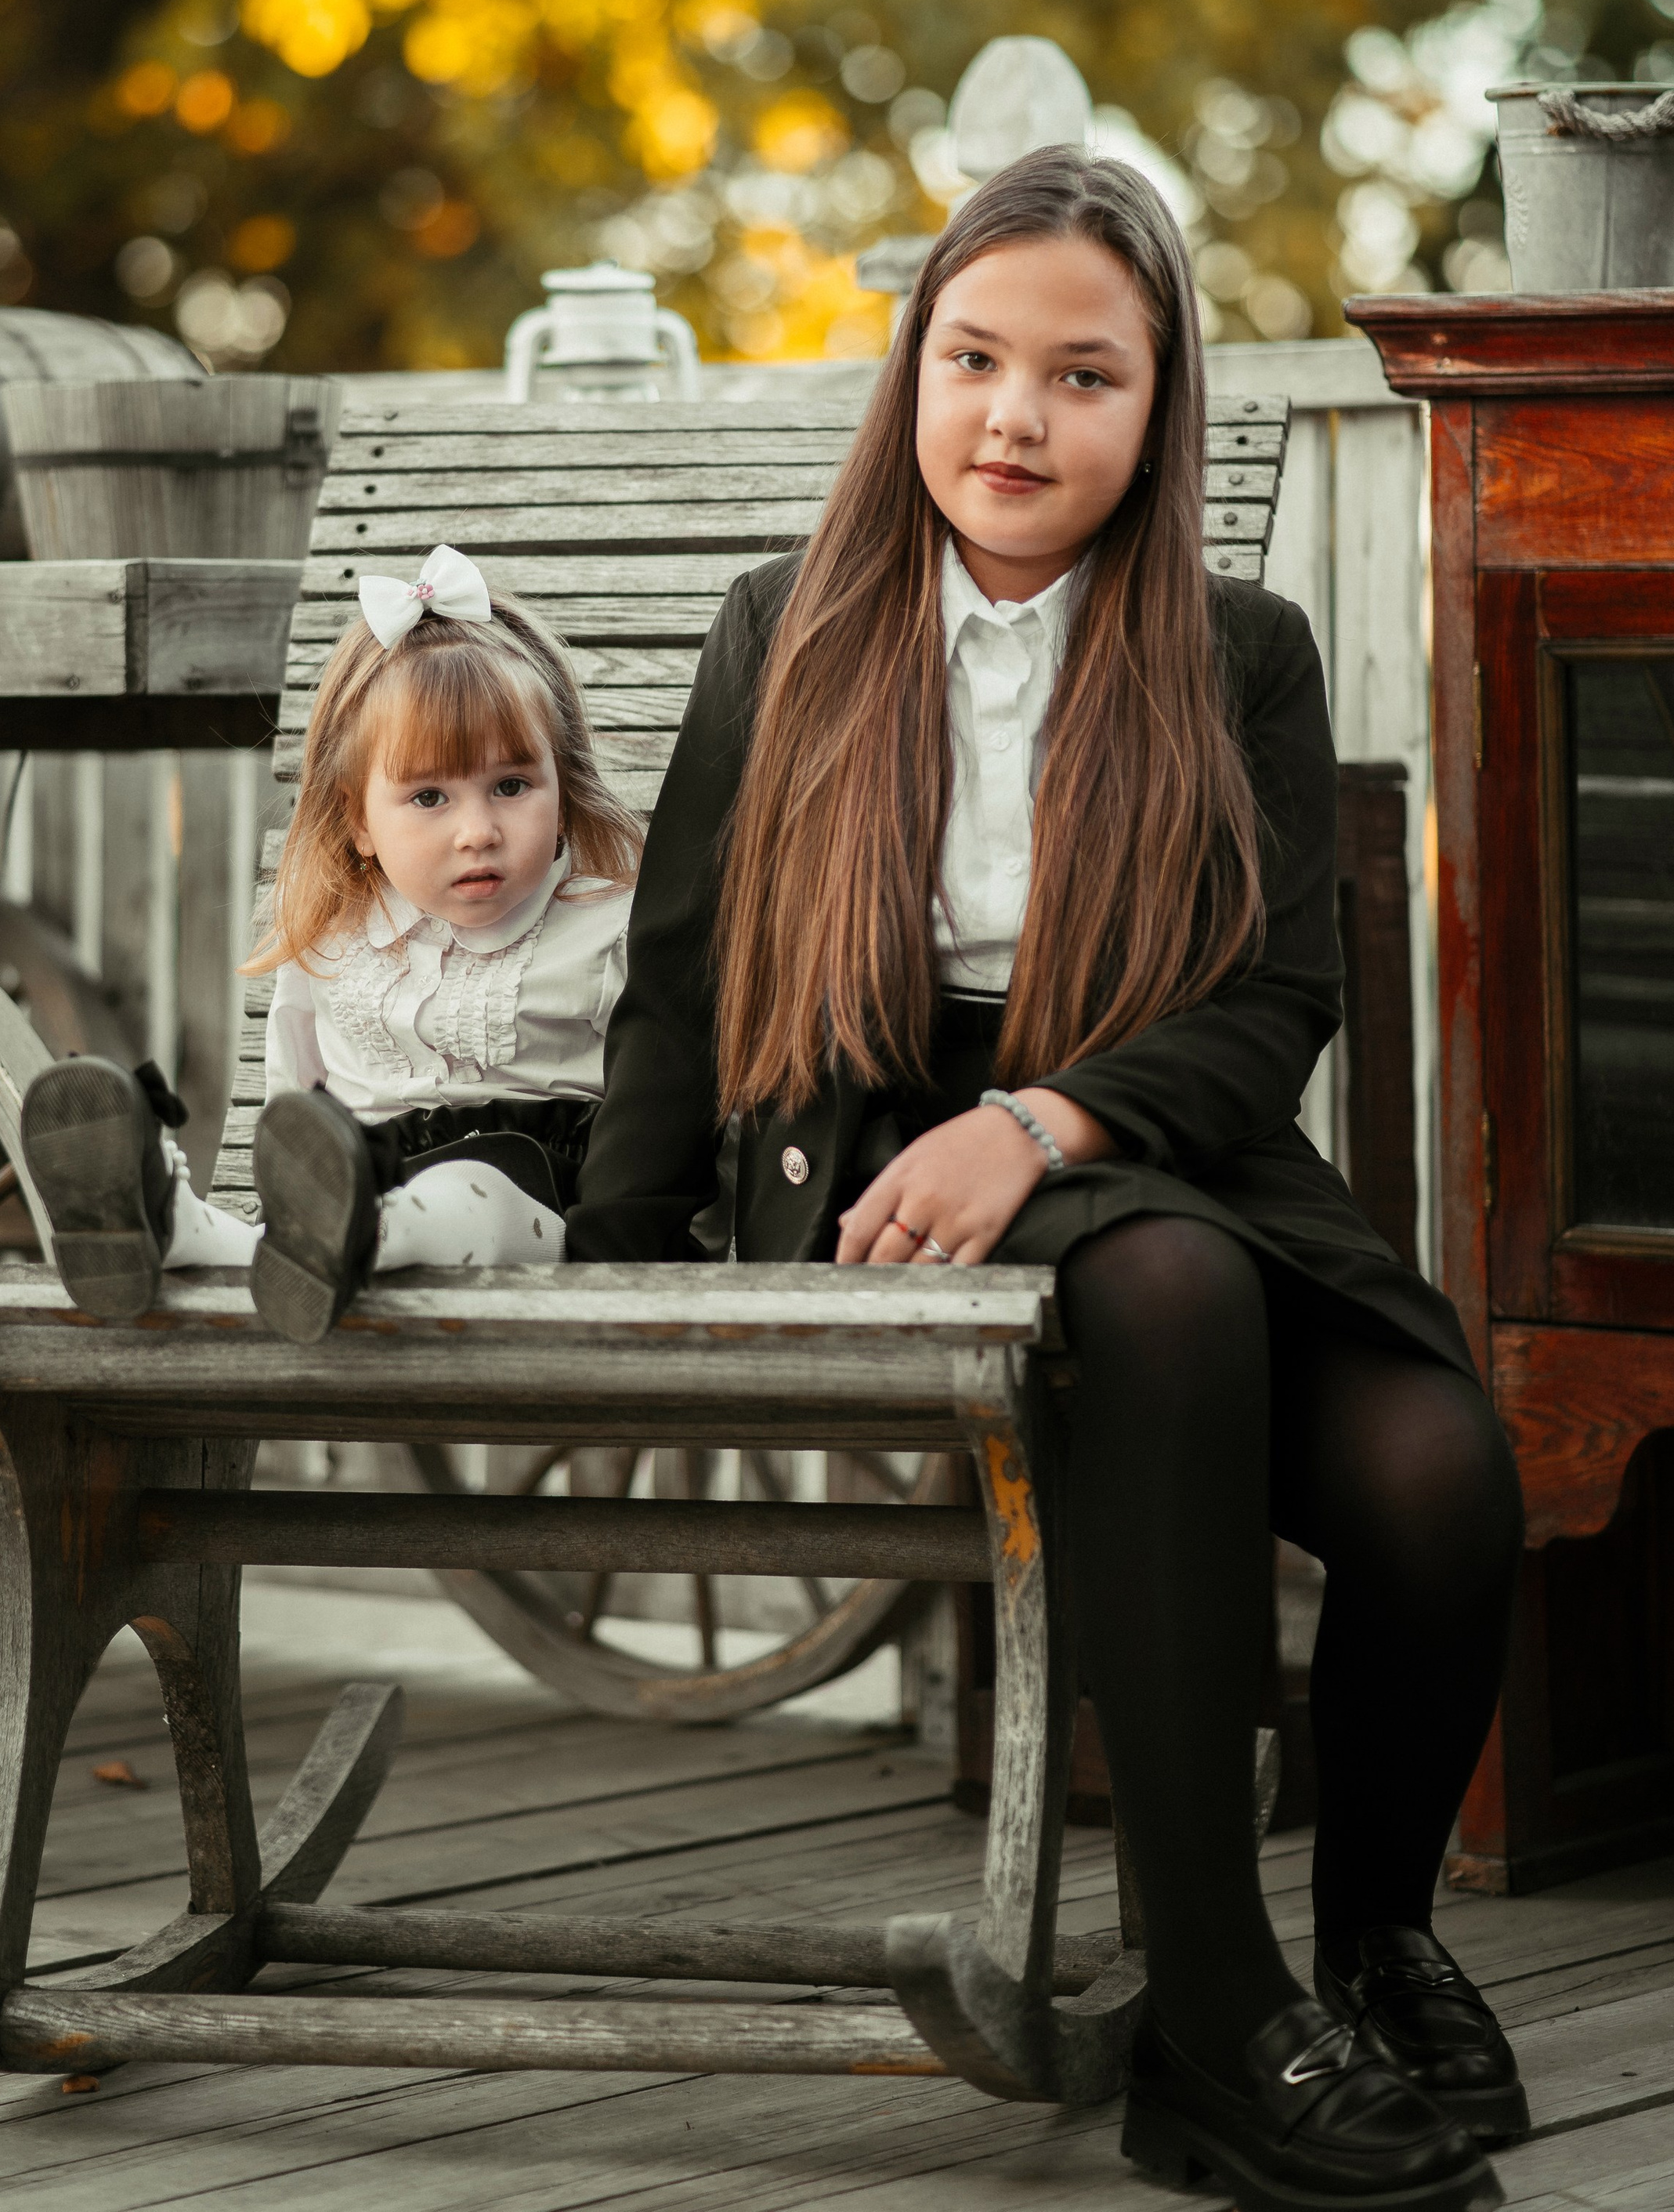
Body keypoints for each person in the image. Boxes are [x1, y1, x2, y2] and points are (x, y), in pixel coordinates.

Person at [572, 154, 1523, 2212]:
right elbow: (678, 969)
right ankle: (1211, 2011)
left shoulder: (1237, 650)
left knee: (1442, 1470)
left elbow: (1277, 994)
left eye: (1082, 377)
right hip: (872, 1154)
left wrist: (1054, 1122)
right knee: (1164, 1298)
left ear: (1158, 409)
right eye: (975, 357)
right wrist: (610, 1272)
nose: (1015, 416)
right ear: (914, 363)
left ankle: (1371, 1946)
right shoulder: (789, 633)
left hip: (1157, 1128)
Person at [21, 545, 641, 1340]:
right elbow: (293, 1100)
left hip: (532, 1216)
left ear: (562, 783)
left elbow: (664, 1105)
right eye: (428, 797)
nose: (478, 831)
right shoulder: (333, 942)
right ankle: (166, 1220)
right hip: (351, 1190)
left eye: (511, 786)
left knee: (462, 1198)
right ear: (357, 822)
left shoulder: (605, 930)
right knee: (322, 1207)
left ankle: (342, 1234)